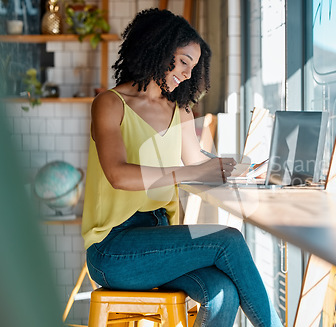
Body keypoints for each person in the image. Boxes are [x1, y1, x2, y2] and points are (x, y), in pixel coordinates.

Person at [82, 8, 283, 327]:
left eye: (194, 66)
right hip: (113, 249)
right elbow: (118, 175)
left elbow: (199, 165)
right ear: (158, 48)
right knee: (227, 239)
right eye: (184, 62)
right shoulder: (110, 104)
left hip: (159, 239)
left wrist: (244, 170)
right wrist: (190, 172)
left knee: (222, 292)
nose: (189, 75)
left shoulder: (180, 112)